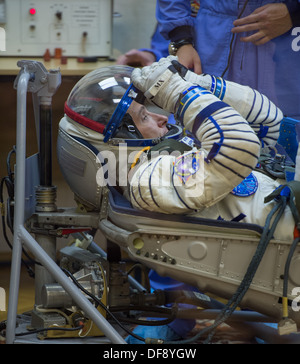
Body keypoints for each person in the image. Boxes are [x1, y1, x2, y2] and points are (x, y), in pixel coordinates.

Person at [58, 57, 294, 343]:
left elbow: (270, 122)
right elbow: (238, 146)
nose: (163, 119)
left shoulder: (164, 165)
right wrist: (173, 91)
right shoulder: (149, 180)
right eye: (144, 117)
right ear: (120, 140)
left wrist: (196, 83)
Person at [156, 0, 300, 120]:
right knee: (200, 126)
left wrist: (294, 13)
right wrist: (181, 40)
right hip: (212, 41)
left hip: (286, 40)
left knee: (286, 134)